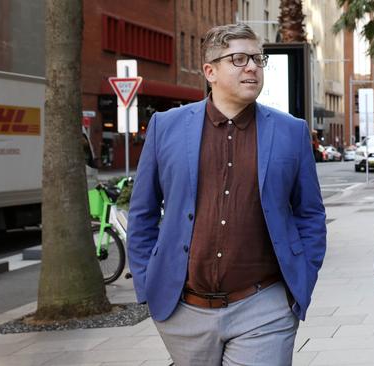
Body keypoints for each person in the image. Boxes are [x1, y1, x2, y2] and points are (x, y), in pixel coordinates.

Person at [127, 23, 326, 365]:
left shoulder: (292, 132)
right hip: (183, 310)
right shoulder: (166, 127)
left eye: (258, 59)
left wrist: (302, 276)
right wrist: (148, 282)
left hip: (264, 305)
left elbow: (310, 213)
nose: (252, 67)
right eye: (238, 59)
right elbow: (142, 213)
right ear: (210, 71)